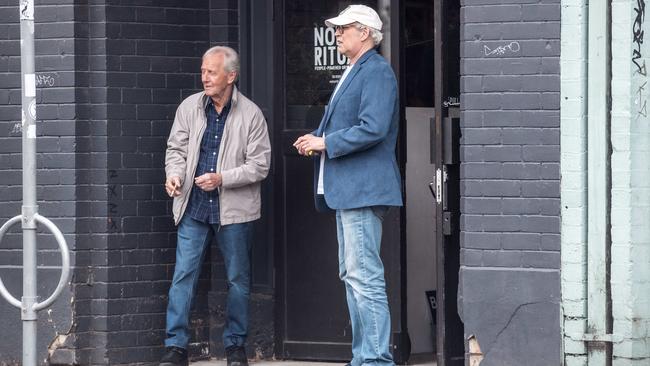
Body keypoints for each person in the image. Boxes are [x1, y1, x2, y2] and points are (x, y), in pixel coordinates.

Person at [292, 5, 402, 366]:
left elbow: (374, 128)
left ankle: (375, 360)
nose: (337, 34)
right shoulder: (355, 71)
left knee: (364, 278)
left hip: (362, 190)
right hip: (349, 191)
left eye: (344, 29)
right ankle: (364, 358)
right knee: (354, 276)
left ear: (365, 33)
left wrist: (325, 142)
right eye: (337, 29)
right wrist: (316, 137)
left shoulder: (377, 72)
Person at [161, 46, 271, 366]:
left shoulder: (251, 114)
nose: (204, 77)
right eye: (203, 71)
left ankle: (235, 347)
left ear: (231, 76)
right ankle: (176, 347)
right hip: (194, 207)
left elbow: (260, 165)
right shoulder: (190, 107)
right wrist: (174, 175)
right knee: (184, 275)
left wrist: (222, 178)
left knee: (238, 279)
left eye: (211, 72)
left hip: (234, 212)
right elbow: (176, 149)